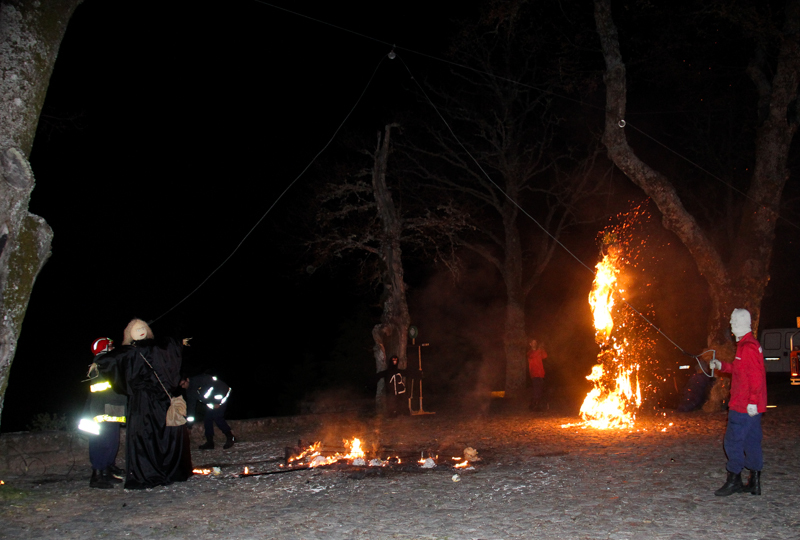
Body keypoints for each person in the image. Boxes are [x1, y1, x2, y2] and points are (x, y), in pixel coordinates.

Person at [96, 318, 193, 489]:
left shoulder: (155, 348)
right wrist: (97, 363)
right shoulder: (130, 351)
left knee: (166, 432)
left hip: (160, 399)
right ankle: (149, 472)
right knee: (145, 435)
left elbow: (169, 346)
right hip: (143, 402)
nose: (140, 330)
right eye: (136, 329)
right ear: (129, 334)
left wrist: (179, 343)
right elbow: (112, 359)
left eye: (142, 327)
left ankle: (170, 470)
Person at [709, 308, 767, 496]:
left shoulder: (747, 347)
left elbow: (756, 377)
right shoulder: (749, 344)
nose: (731, 325)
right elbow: (741, 370)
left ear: (742, 323)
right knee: (751, 441)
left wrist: (751, 400)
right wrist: (722, 366)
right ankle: (754, 482)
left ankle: (734, 480)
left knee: (733, 441)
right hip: (751, 406)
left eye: (734, 321)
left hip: (743, 405)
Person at [78, 337, 127, 489]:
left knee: (111, 442)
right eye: (110, 346)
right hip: (104, 410)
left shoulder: (104, 363)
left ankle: (107, 471)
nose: (113, 349)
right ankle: (98, 475)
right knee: (103, 443)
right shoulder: (104, 364)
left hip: (109, 409)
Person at [180, 373, 235, 450]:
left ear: (187, 380)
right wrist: (189, 426)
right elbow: (191, 408)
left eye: (183, 384)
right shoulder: (190, 391)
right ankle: (210, 442)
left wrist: (218, 401)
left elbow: (218, 386)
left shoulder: (202, 379)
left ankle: (230, 437)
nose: (183, 387)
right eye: (181, 386)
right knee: (207, 418)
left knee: (217, 416)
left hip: (223, 394)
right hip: (211, 402)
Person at [527, 339, 548, 411]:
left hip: (540, 373)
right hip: (534, 374)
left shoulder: (539, 351)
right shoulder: (530, 353)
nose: (534, 344)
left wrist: (542, 348)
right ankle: (534, 405)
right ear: (530, 344)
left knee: (540, 390)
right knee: (536, 390)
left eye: (535, 342)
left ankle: (536, 405)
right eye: (533, 343)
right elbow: (534, 355)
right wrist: (539, 349)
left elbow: (545, 356)